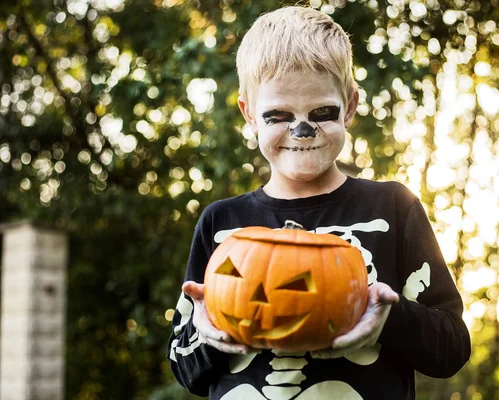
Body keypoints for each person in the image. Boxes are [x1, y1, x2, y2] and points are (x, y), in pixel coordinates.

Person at [167, 6, 470, 399]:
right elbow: (182, 364)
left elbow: (451, 349)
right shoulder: (220, 223)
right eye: (278, 115)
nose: (302, 129)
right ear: (249, 115)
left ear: (350, 106)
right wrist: (210, 336)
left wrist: (386, 317)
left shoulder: (394, 209)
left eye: (320, 112)